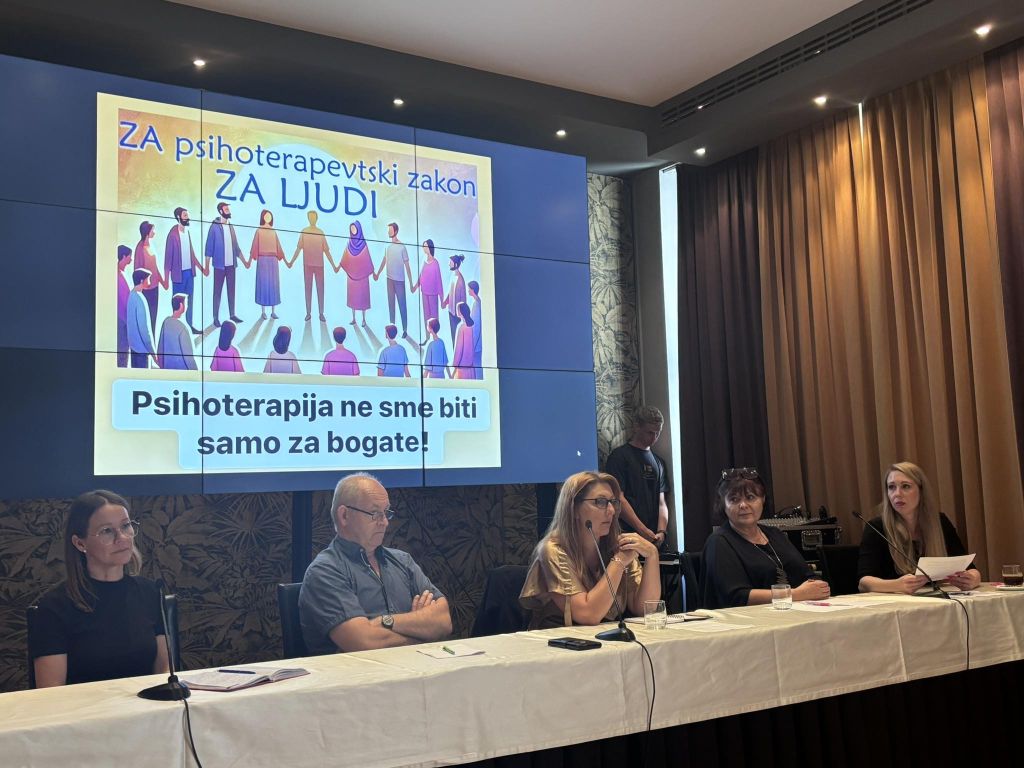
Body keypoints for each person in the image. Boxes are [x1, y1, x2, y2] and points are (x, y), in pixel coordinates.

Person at [298, 473, 452, 653]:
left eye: (386, 513)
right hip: (358, 671)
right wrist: (420, 629)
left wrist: (385, 621)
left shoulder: (403, 561)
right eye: (375, 513)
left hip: (414, 667)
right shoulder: (325, 571)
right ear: (344, 515)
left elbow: (444, 621)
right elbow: (363, 643)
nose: (384, 522)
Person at [28, 490, 168, 686]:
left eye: (126, 526)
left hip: (146, 704)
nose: (122, 537)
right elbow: (50, 691)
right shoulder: (55, 606)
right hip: (83, 705)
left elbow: (164, 673)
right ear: (80, 543)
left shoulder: (150, 592)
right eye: (107, 531)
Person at [519, 471, 661, 629]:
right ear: (574, 508)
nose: (611, 510)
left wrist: (652, 555)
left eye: (613, 502)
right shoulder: (553, 549)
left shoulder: (617, 545)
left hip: (604, 636)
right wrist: (619, 562)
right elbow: (588, 615)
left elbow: (645, 608)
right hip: (560, 639)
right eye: (600, 502)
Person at [701, 467, 830, 608]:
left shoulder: (775, 534)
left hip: (793, 612)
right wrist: (795, 594)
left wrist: (817, 588)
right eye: (734, 499)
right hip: (748, 619)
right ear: (723, 505)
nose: (743, 505)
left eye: (750, 497)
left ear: (762, 499)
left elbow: (808, 576)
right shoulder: (719, 542)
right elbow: (736, 597)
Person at [857, 461, 981, 594]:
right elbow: (863, 583)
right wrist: (896, 585)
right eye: (891, 487)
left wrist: (973, 578)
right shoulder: (876, 527)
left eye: (905, 486)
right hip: (895, 602)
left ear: (921, 491)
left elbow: (969, 567)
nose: (897, 493)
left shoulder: (940, 522)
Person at [604, 406, 670, 546]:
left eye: (657, 433)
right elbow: (618, 498)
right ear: (636, 427)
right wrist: (642, 530)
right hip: (626, 536)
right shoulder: (619, 457)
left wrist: (661, 531)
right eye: (650, 433)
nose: (654, 438)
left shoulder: (659, 462)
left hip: (654, 538)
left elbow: (662, 502)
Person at [164, 207, 205, 334]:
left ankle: (189, 326)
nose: (188, 218)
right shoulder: (172, 235)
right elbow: (168, 259)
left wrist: (201, 268)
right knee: (178, 303)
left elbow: (192, 254)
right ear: (178, 217)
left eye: (187, 215)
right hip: (178, 275)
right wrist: (166, 279)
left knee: (189, 302)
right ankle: (176, 328)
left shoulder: (187, 232)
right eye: (185, 215)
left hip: (189, 273)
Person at [204, 201, 244, 327]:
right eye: (226, 209)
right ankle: (216, 318)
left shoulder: (231, 227)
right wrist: (206, 266)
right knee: (217, 292)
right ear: (221, 211)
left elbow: (236, 247)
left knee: (231, 291)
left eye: (228, 209)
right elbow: (209, 247)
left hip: (231, 266)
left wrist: (245, 261)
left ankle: (232, 315)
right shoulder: (214, 226)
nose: (229, 211)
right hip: (219, 266)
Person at [291, 210, 334, 322]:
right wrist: (292, 261)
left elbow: (326, 251)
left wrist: (333, 265)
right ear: (308, 218)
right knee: (308, 289)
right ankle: (308, 313)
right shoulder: (304, 231)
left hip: (319, 265)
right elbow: (298, 248)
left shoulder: (320, 232)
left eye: (314, 217)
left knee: (321, 290)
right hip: (307, 265)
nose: (312, 219)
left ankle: (321, 313)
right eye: (310, 217)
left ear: (316, 218)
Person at [374, 222, 414, 339]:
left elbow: (407, 267)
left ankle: (405, 329)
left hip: (399, 281)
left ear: (395, 231)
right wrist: (378, 273)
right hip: (389, 279)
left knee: (402, 305)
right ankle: (392, 329)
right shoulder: (387, 246)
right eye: (388, 230)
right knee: (391, 305)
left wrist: (411, 283)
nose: (388, 232)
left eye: (390, 230)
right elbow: (384, 261)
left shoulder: (402, 247)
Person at [249, 209, 288, 319]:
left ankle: (273, 311)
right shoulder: (259, 231)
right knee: (263, 284)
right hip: (262, 260)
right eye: (266, 216)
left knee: (273, 286)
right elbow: (254, 246)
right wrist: (249, 260)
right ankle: (263, 312)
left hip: (273, 261)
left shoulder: (273, 231)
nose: (268, 217)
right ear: (262, 217)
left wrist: (285, 260)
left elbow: (278, 247)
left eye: (269, 216)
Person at [337, 221, 375, 327]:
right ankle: (353, 318)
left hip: (362, 277)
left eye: (354, 228)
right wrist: (339, 266)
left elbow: (367, 259)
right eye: (351, 229)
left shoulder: (363, 244)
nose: (353, 230)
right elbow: (345, 258)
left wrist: (372, 272)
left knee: (363, 299)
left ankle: (363, 319)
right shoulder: (349, 243)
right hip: (351, 277)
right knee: (352, 298)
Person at [134, 221, 163, 334]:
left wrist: (162, 281)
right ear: (147, 232)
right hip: (146, 290)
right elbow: (137, 271)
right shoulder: (140, 248)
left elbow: (155, 266)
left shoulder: (151, 244)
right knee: (147, 319)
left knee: (153, 318)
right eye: (153, 230)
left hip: (155, 287)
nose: (154, 232)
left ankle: (153, 341)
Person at [412, 239, 443, 344]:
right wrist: (415, 287)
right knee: (426, 316)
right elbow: (421, 276)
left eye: (425, 246)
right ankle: (427, 337)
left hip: (433, 294)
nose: (424, 248)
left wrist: (442, 299)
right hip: (424, 293)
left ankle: (435, 338)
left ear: (430, 248)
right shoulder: (423, 261)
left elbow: (439, 281)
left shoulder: (435, 263)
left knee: (434, 317)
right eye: (423, 246)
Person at [156, 294, 197, 370]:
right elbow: (189, 358)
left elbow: (160, 349)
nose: (187, 306)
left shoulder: (166, 322)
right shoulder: (183, 328)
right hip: (182, 373)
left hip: (168, 370)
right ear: (181, 306)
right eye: (186, 304)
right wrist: (196, 372)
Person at [126, 268, 157, 369]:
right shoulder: (140, 299)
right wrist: (154, 353)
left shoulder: (131, 295)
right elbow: (145, 331)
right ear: (141, 281)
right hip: (142, 351)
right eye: (148, 279)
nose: (149, 282)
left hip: (134, 348)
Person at [441, 253, 466, 344]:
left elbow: (463, 300)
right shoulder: (453, 276)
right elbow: (450, 292)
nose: (449, 264)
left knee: (457, 339)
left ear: (455, 264)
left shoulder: (460, 279)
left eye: (450, 262)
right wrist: (445, 302)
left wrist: (462, 315)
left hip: (457, 315)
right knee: (453, 337)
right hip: (451, 312)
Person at [116, 245, 132, 367]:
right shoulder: (118, 276)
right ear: (124, 256)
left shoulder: (121, 273)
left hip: (124, 320)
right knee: (122, 353)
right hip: (122, 321)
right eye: (129, 257)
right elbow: (124, 300)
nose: (131, 260)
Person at [451, 301, 475, 379]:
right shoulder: (470, 326)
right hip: (470, 365)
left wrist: (454, 365)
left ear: (460, 312)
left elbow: (458, 349)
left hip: (462, 367)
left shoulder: (461, 327)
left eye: (457, 309)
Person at [468, 280, 482, 379]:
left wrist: (472, 345)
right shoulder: (477, 302)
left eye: (469, 289)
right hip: (477, 343)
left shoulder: (476, 304)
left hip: (476, 344)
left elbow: (476, 327)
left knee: (477, 366)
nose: (468, 291)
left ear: (473, 290)